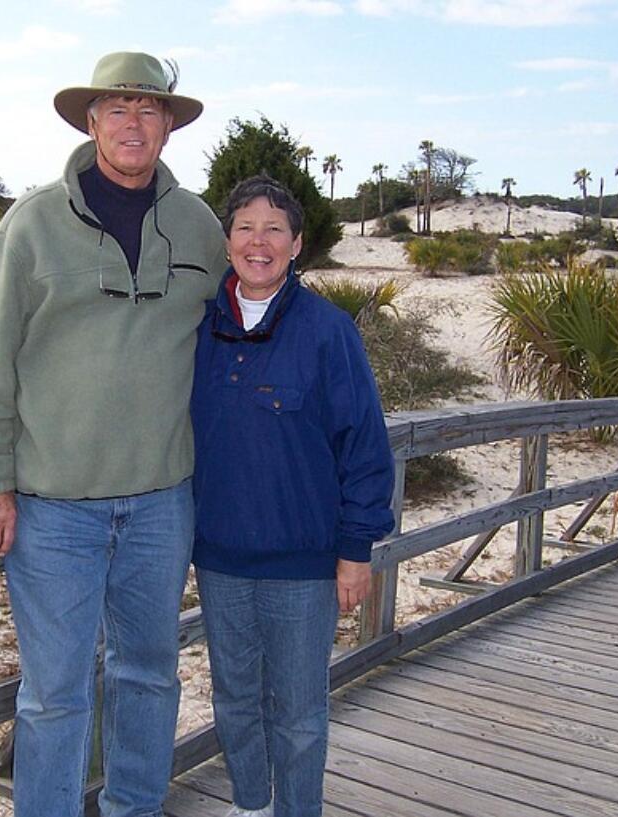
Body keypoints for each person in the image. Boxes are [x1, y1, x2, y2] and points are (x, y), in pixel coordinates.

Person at [0, 52, 225, 817]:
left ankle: (135, 807)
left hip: (163, 503)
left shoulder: (200, 225)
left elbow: (242, 325)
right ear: (91, 121)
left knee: (150, 674)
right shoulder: (31, 225)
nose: (133, 124)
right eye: (117, 109)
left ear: (168, 125)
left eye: (148, 110)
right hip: (51, 510)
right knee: (55, 694)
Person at [190, 176, 396, 817]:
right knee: (234, 701)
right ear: (227, 243)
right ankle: (250, 806)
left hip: (303, 567)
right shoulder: (196, 328)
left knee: (301, 713)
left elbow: (364, 446)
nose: (259, 241)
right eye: (246, 228)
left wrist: (355, 550)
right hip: (219, 560)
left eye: (274, 229)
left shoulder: (328, 332)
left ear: (297, 245)